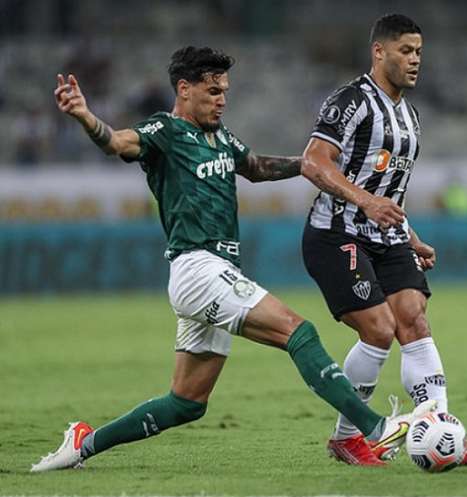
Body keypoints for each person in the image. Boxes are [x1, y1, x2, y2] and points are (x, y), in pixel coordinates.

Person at [31, 46, 435, 472]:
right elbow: (115, 141)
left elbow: (257, 166)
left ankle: (83, 444)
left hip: (217, 272)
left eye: (224, 90)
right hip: (197, 267)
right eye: (212, 91)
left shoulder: (222, 137)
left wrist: (311, 165)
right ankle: (373, 428)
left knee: (186, 403)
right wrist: (84, 117)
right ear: (184, 90)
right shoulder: (163, 131)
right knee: (299, 332)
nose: (222, 99)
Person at [300, 14, 467, 466]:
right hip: (335, 233)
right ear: (379, 52)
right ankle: (347, 438)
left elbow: (389, 195)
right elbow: (313, 162)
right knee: (380, 329)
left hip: (386, 236)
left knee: (414, 320)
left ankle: (439, 431)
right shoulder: (351, 101)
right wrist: (365, 203)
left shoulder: (410, 116)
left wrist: (412, 237)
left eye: (419, 51)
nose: (415, 60)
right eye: (406, 50)